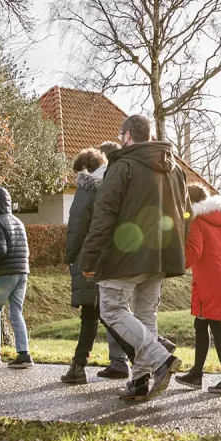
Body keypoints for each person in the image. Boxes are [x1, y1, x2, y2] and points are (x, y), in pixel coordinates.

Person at [79, 115, 188, 401]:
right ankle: (139, 381)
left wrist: (89, 258)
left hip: (126, 253)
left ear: (127, 136)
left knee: (112, 310)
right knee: (145, 315)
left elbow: (104, 216)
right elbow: (184, 212)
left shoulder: (122, 165)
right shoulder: (175, 168)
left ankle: (160, 360)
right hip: (162, 255)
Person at [176, 184, 221, 393]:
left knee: (216, 328)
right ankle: (196, 373)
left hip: (207, 281)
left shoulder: (197, 222)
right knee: (202, 324)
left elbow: (194, 251)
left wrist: (176, 265)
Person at [62, 147, 110, 384]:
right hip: (107, 256)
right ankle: (78, 365)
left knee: (98, 314)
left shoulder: (86, 188)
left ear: (83, 169)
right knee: (99, 312)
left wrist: (70, 255)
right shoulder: (109, 186)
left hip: (88, 257)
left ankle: (153, 354)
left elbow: (77, 226)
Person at [0, 186, 33, 368]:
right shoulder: (18, 221)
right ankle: (24, 354)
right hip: (23, 271)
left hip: (6, 273)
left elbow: (0, 250)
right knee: (16, 313)